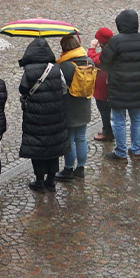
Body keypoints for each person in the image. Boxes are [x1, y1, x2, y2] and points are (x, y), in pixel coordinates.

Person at [16, 37, 70, 187]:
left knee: (38, 146)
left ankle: (39, 180)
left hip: (35, 115)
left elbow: (23, 89)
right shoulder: (56, 69)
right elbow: (64, 89)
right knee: (53, 146)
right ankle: (51, 181)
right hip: (55, 114)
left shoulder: (28, 71)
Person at [98, 9, 140, 157]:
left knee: (118, 119)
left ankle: (120, 151)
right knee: (136, 118)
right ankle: (136, 149)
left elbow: (104, 61)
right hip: (137, 85)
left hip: (118, 86)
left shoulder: (116, 41)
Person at [54, 33, 95, 178]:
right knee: (81, 137)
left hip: (69, 107)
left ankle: (68, 168)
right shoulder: (89, 61)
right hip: (84, 105)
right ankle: (81, 168)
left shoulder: (63, 66)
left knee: (70, 139)